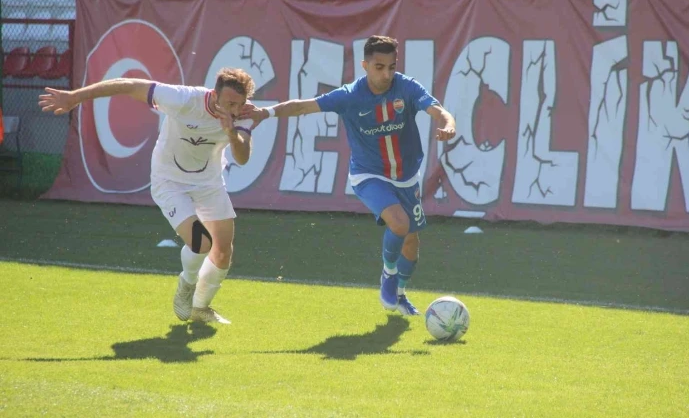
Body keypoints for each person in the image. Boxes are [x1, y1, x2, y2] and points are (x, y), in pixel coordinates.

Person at [240, 36, 457, 316]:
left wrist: (449, 125)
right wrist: (265, 113)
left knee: (412, 244)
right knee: (399, 224)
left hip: (406, 177)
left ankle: (400, 294)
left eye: (391, 67)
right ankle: (388, 275)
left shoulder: (407, 87)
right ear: (365, 65)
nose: (386, 74)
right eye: (379, 67)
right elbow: (303, 106)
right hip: (369, 175)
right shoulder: (349, 95)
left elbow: (439, 111)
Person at [38, 68, 256, 325]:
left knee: (223, 251)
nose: (235, 109)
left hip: (209, 184)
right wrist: (75, 97)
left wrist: (231, 132)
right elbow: (129, 84)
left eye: (239, 104)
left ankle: (200, 307)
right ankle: (186, 285)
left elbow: (243, 157)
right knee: (201, 243)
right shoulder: (184, 99)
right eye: (230, 103)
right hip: (170, 182)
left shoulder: (245, 115)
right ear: (214, 95)